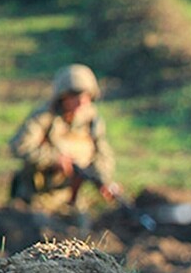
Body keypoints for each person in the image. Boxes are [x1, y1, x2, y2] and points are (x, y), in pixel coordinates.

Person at [8, 63, 117, 210]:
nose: (80, 103)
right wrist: (54, 159)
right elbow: (20, 146)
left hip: (71, 198)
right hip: (36, 198)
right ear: (62, 96)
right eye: (75, 97)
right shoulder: (44, 117)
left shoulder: (91, 120)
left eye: (85, 97)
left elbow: (103, 153)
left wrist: (104, 180)